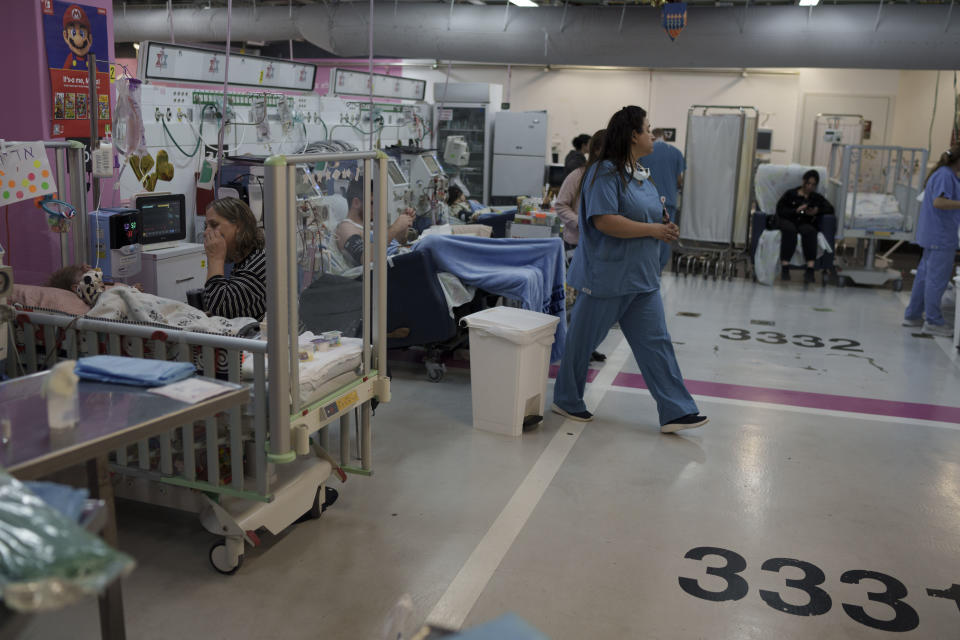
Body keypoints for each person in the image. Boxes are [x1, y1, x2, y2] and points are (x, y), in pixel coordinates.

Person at [552, 105, 708, 434]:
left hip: (642, 277)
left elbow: (648, 214)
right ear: (633, 135)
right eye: (648, 129)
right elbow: (605, 221)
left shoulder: (639, 173)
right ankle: (566, 398)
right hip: (606, 276)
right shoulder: (603, 173)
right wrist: (653, 231)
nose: (653, 135)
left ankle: (676, 409)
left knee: (656, 343)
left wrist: (664, 226)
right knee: (582, 342)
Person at [555, 129, 607, 363]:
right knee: (578, 300)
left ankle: (586, 345)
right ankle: (573, 347)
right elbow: (561, 205)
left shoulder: (612, 178)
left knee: (595, 301)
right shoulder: (579, 175)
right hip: (577, 245)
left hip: (603, 249)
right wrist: (580, 223)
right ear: (596, 150)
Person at [903, 145, 960, 336]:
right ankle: (933, 321)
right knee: (936, 280)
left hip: (933, 234)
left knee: (925, 277)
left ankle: (913, 315)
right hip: (941, 236)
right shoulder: (945, 175)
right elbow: (939, 202)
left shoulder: (943, 173)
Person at [203, 197, 267, 320]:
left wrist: (215, 259)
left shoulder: (257, 266)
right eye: (206, 226)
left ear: (239, 227)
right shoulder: (247, 261)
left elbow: (221, 310)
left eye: (214, 225)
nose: (206, 233)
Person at [336, 179, 414, 267]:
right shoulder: (346, 228)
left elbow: (399, 241)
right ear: (356, 203)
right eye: (372, 203)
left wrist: (403, 228)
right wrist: (395, 228)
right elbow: (366, 258)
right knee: (431, 242)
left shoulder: (370, 226)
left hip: (402, 260)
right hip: (386, 273)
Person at [775, 169, 834, 283]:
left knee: (810, 232)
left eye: (813, 185)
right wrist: (796, 210)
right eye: (808, 183)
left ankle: (810, 269)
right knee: (790, 231)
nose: (810, 187)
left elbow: (830, 209)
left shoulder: (816, 197)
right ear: (803, 182)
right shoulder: (791, 194)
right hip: (789, 220)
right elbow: (780, 209)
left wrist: (816, 211)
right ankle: (785, 268)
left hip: (805, 222)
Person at [641, 128, 686, 272]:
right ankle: (659, 269)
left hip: (646, 199)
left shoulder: (645, 152)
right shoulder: (676, 153)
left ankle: (646, 267)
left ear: (653, 136)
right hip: (668, 200)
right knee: (666, 233)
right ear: (664, 137)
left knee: (647, 233)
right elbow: (680, 180)